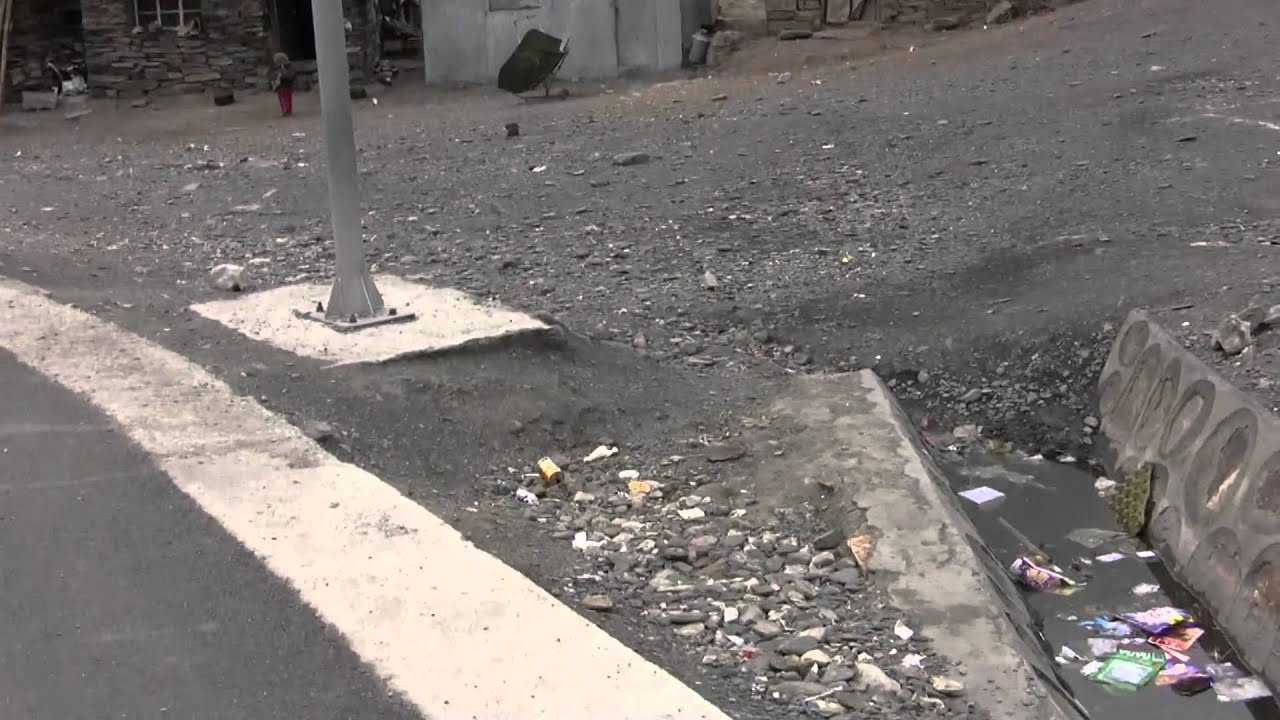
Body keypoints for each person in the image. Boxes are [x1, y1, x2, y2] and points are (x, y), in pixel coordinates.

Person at [271, 52, 295, 117]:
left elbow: (291, 75)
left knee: (286, 99)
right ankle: (285, 110)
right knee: (283, 99)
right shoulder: (275, 68)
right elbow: (271, 75)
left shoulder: (288, 67)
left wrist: (283, 74)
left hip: (286, 86)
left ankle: (287, 111)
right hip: (280, 87)